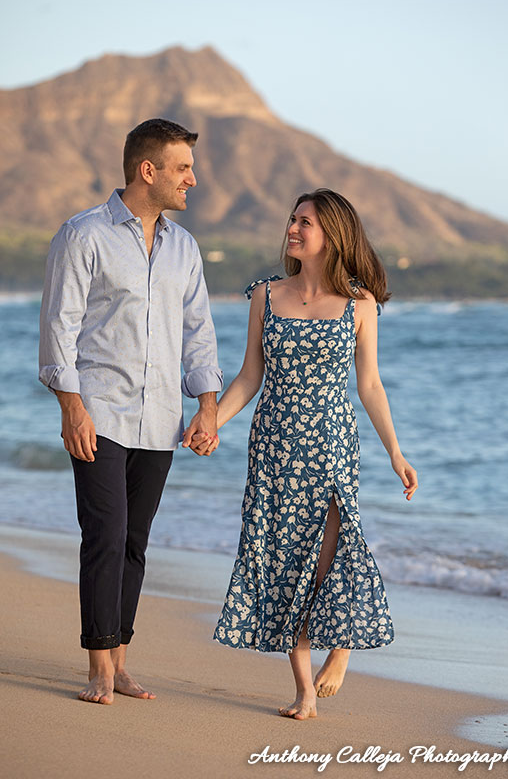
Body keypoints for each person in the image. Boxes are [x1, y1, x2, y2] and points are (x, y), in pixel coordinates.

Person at [210, 188, 417, 720]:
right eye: (293, 219)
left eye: (305, 222)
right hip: (273, 449)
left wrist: (395, 451)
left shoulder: (360, 305)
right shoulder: (265, 295)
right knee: (283, 565)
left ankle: (342, 649)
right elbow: (250, 377)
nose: (293, 228)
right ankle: (303, 694)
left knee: (330, 557)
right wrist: (210, 421)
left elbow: (369, 385)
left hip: (329, 448)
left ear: (333, 235)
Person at [39, 118, 222, 705]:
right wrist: (71, 407)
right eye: (183, 168)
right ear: (149, 170)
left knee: (135, 541)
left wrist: (208, 406)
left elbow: (198, 331)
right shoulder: (83, 235)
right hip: (100, 412)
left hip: (161, 417)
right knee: (105, 534)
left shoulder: (185, 248)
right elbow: (59, 328)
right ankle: (97, 665)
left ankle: (119, 660)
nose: (193, 179)